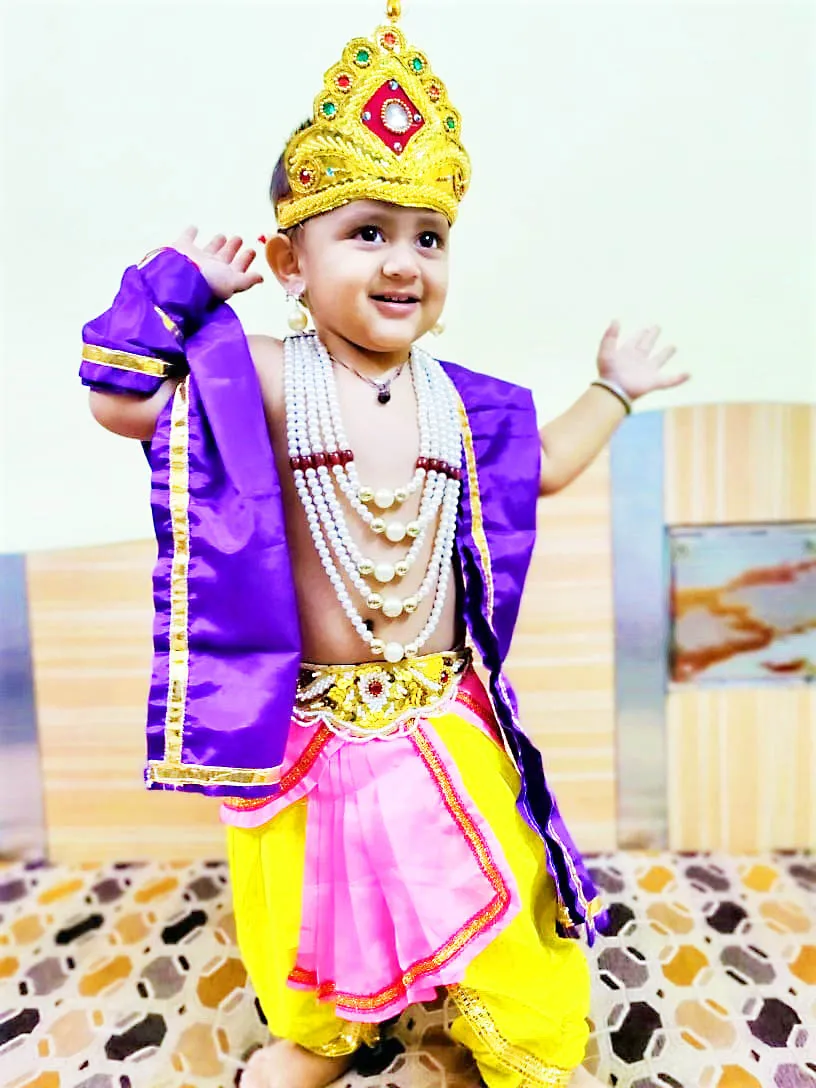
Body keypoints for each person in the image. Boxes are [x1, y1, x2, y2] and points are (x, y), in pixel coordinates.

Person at [80, 4, 688, 1086]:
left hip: (443, 713)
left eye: (428, 237)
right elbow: (121, 400)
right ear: (288, 259)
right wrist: (180, 284)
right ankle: (321, 1037)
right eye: (367, 232)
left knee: (502, 904)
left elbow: (548, 464)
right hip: (310, 729)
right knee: (311, 921)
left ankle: (484, 1037)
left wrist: (615, 391)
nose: (404, 261)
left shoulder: (464, 402)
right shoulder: (263, 374)